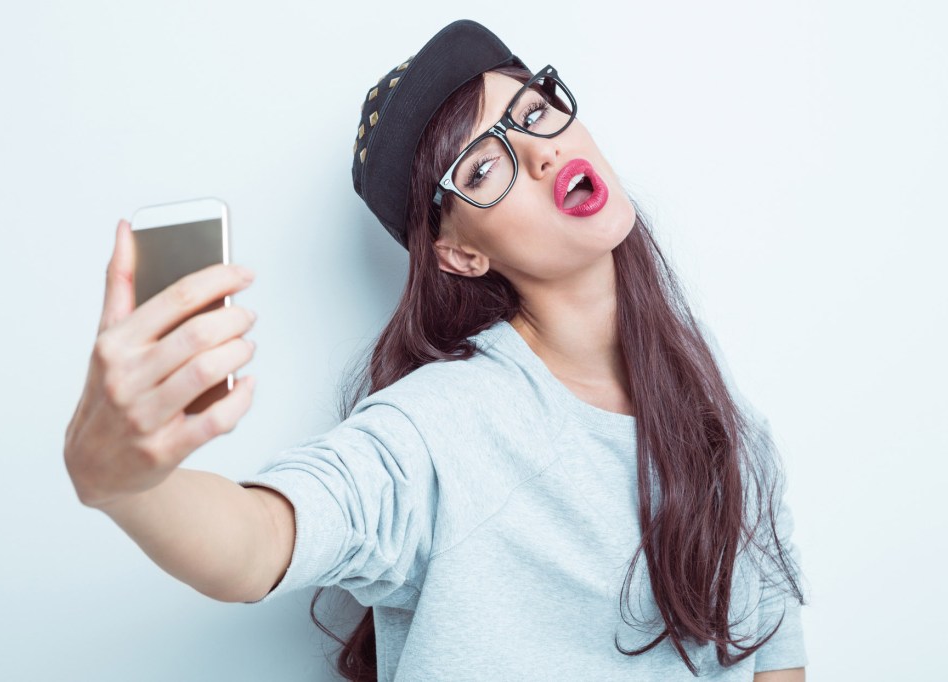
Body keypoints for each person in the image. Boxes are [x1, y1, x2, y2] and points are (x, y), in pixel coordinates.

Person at [64, 18, 808, 682]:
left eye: (534, 113)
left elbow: (775, 656)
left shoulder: (724, 424)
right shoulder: (443, 426)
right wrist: (123, 482)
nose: (540, 153)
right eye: (484, 168)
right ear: (459, 255)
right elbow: (260, 541)